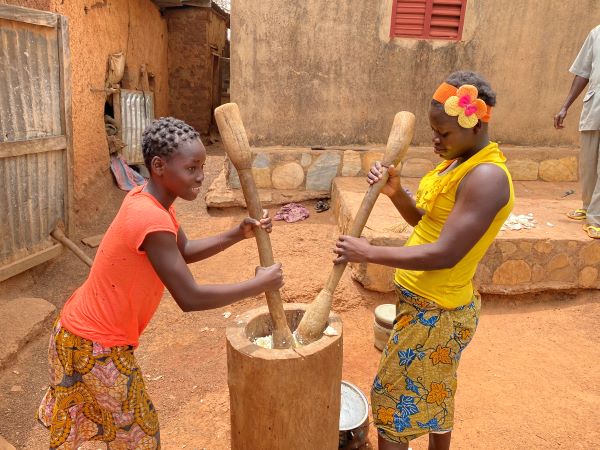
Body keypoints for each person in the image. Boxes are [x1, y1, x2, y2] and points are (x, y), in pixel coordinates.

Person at [37, 117, 284, 449]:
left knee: (98, 429)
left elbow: (184, 250)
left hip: (77, 334)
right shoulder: (150, 217)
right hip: (96, 346)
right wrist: (258, 284)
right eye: (192, 168)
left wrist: (236, 234)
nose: (200, 176)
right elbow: (189, 297)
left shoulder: (149, 199)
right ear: (159, 166)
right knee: (141, 436)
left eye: (202, 166)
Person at [333, 72, 514, 450]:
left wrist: (369, 252)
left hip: (437, 313)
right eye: (433, 130)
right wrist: (396, 193)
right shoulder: (458, 163)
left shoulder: (487, 177)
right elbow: (425, 223)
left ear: (476, 124)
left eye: (443, 133)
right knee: (434, 392)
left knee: (392, 405)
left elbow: (445, 253)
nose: (435, 140)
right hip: (428, 307)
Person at [554, 25, 600, 239]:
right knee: (589, 163)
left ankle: (596, 217)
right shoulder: (596, 33)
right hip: (595, 107)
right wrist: (565, 106)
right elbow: (583, 72)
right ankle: (588, 205)